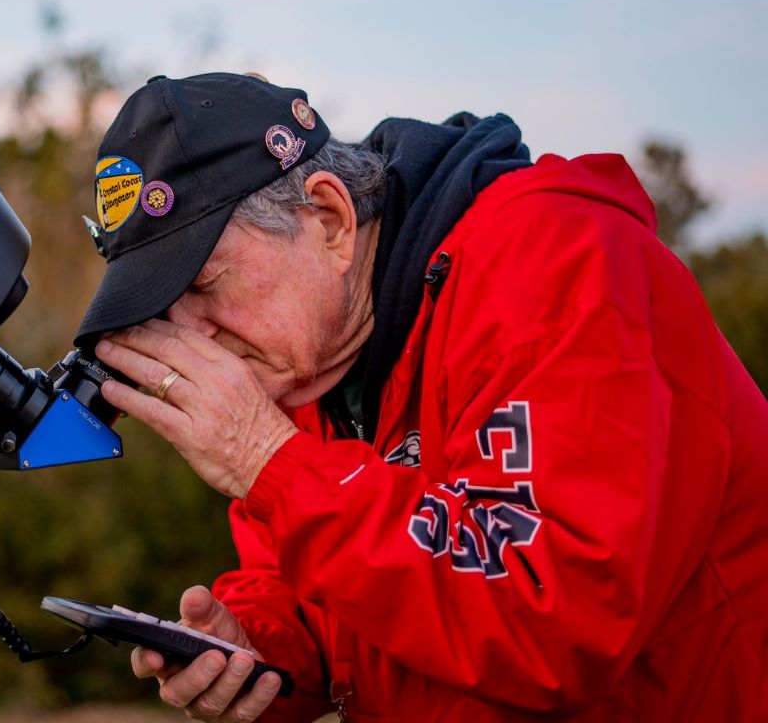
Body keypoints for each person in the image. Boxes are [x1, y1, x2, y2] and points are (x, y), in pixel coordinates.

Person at [74, 72, 768, 722]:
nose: (195, 339)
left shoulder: (560, 263)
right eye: (169, 310)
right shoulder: (302, 371)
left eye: (204, 285)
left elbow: (558, 614)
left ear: (330, 220)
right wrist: (261, 650)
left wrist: (272, 465)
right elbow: (320, 593)